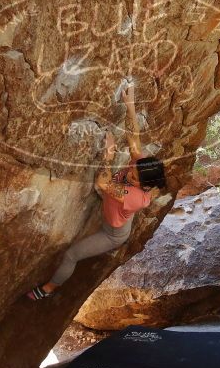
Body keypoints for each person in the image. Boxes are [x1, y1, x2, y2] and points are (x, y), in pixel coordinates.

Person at [27, 83, 167, 300]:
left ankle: (49, 288)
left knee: (71, 255)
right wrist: (130, 105)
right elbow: (134, 138)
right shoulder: (140, 167)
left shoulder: (136, 197)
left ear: (145, 187)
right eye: (132, 168)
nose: (131, 170)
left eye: (134, 177)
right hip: (114, 209)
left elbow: (103, 183)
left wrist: (108, 156)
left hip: (111, 234)